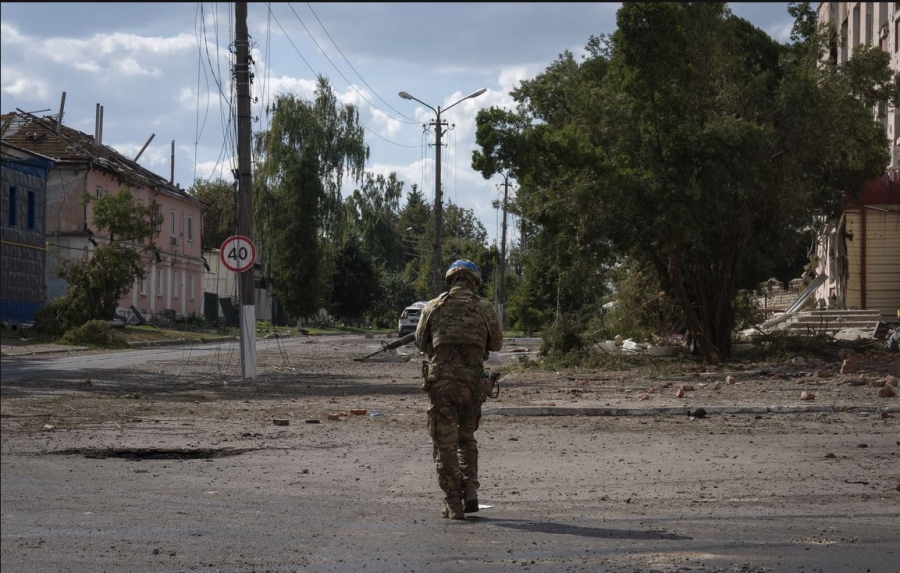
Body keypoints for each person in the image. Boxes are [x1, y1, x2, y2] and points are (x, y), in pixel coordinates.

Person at [415, 259, 503, 520]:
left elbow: (421, 342)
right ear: (474, 281)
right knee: (466, 439)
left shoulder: (433, 306)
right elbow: (496, 344)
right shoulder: (484, 308)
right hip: (472, 385)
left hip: (442, 385)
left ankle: (454, 501)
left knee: (444, 444)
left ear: (451, 279)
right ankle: (471, 489)